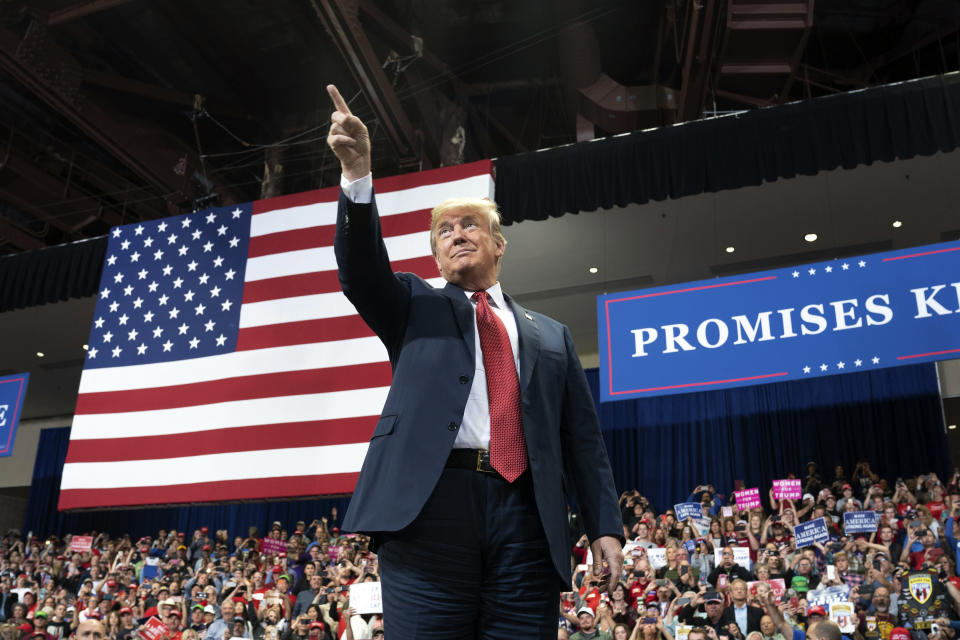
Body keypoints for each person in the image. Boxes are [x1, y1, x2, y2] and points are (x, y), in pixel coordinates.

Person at [326, 82, 623, 639]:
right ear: (436, 254)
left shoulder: (553, 335)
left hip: (528, 516)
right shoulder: (413, 304)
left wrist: (605, 526)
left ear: (499, 244)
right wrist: (357, 174)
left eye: (470, 225)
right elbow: (361, 270)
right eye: (445, 231)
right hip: (430, 509)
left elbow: (583, 442)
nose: (457, 234)